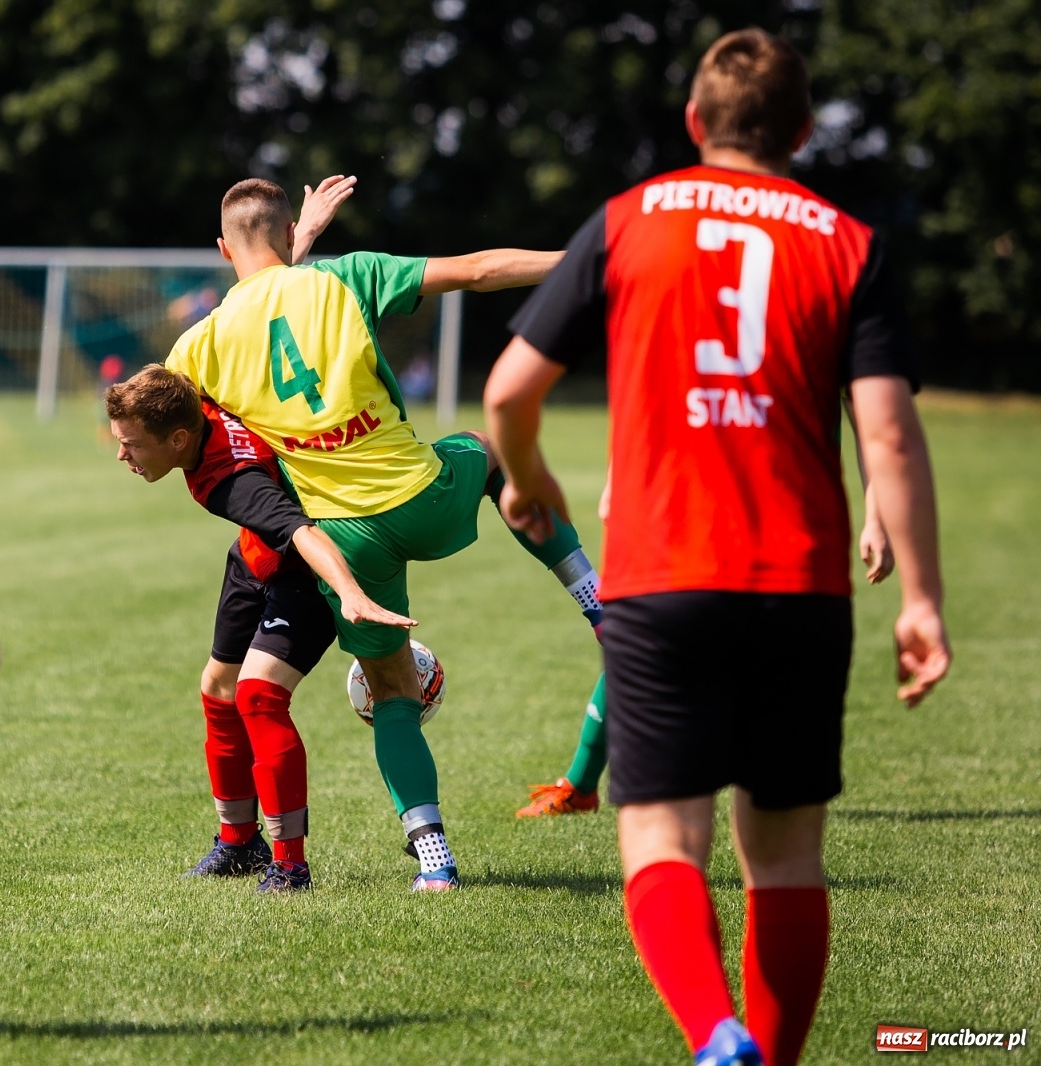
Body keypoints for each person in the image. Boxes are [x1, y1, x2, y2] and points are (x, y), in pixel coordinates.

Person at [485, 29, 949, 1066]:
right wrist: (920, 595)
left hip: (662, 575)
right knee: (783, 857)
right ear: (804, 131)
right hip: (800, 582)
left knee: (661, 837)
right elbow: (886, 432)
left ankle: (713, 1031)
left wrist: (526, 478)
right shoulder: (848, 242)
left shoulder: (628, 219)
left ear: (694, 122)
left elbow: (509, 390)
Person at [166, 177, 574, 890]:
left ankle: (417, 861)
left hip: (333, 538)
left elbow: (166, 409)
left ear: (223, 250)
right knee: (488, 448)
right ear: (287, 234)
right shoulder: (343, 279)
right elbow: (479, 270)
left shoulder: (197, 347)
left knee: (368, 689)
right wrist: (587, 261)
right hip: (400, 502)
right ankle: (592, 595)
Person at [107, 364, 413, 891]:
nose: (121, 455)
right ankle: (238, 843)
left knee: (259, 694)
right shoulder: (197, 396)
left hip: (303, 572)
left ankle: (290, 865)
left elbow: (300, 531)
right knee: (218, 688)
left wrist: (349, 592)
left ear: (178, 439)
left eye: (130, 444)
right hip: (252, 557)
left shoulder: (236, 484)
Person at [518, 413, 898, 820]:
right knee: (650, 639)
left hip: (790, 527)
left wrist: (877, 516)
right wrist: (618, 480)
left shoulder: (822, 365)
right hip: (695, 507)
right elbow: (643, 397)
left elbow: (872, 420)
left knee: (755, 661)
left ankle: (757, 791)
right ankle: (582, 784)